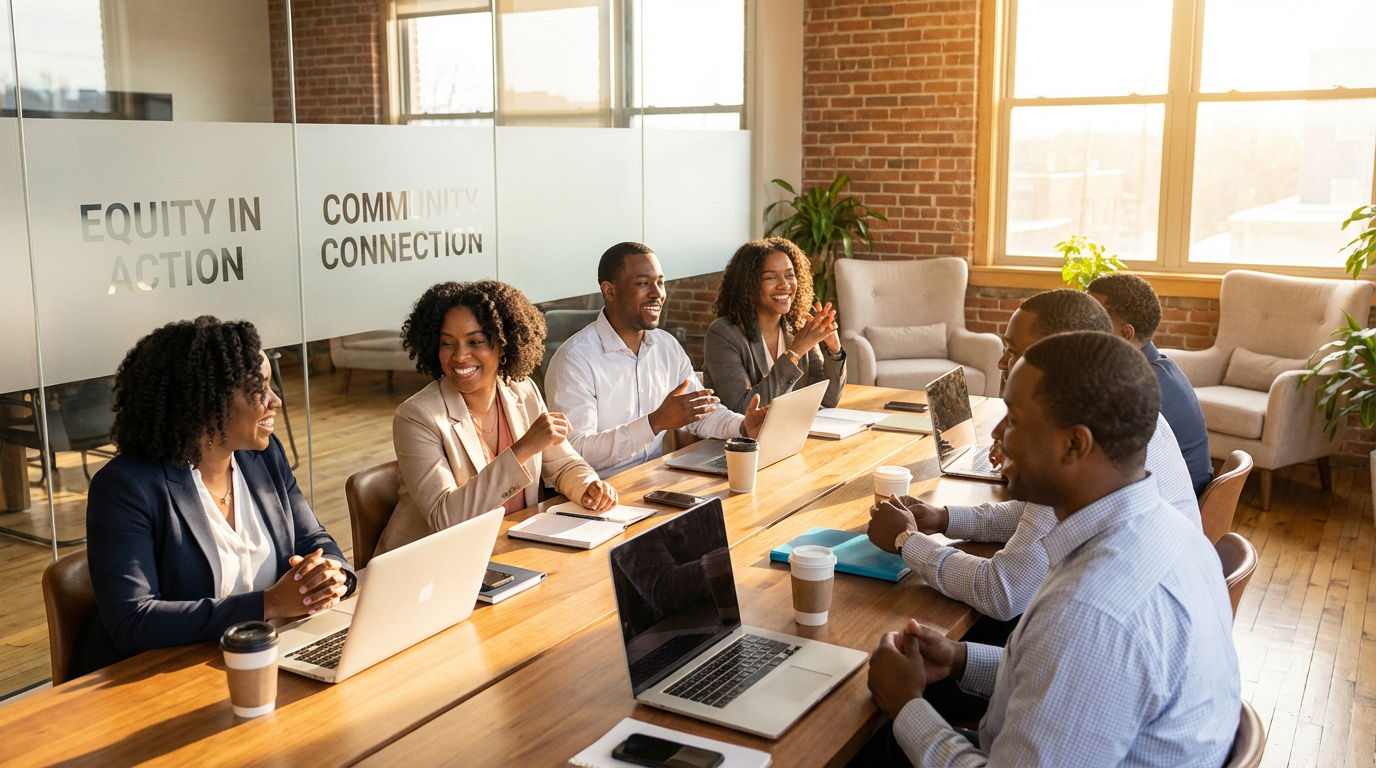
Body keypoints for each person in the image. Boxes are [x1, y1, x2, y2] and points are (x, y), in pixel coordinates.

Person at [864, 332, 1240, 767]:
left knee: (858, 735)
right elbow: (1066, 682)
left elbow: (1074, 651)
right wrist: (960, 658)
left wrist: (906, 705)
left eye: (1015, 420)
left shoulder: (1090, 610)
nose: (999, 435)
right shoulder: (1172, 530)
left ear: (1074, 444)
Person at [78, 317, 354, 679]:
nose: (277, 401)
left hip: (260, 660)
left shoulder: (263, 458)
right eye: (261, 389)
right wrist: (268, 604)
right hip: (155, 682)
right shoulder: (125, 487)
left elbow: (313, 540)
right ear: (209, 401)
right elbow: (133, 621)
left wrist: (334, 575)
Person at [378, 280, 618, 555]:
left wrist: (589, 487)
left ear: (504, 344)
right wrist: (523, 449)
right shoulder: (417, 416)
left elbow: (563, 466)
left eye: (476, 342)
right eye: (447, 343)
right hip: (431, 565)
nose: (460, 355)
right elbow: (447, 518)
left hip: (511, 550)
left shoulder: (522, 390)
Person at [546, 242, 768, 476]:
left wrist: (743, 426)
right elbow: (575, 452)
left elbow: (701, 413)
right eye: (643, 283)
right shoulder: (575, 359)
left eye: (660, 283)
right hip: (596, 490)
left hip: (653, 478)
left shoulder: (665, 345)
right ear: (610, 291)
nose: (657, 294)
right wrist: (654, 423)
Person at [1088, 272, 1213, 496]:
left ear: (1125, 333)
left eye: (1092, 320)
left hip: (1171, 509)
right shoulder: (1158, 366)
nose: (1081, 326)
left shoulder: (1137, 388)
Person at [703, 238, 846, 412]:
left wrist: (834, 350)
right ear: (749, 284)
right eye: (771, 277)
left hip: (793, 432)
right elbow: (744, 408)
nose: (785, 285)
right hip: (742, 438)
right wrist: (795, 352)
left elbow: (828, 400)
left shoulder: (796, 326)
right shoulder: (723, 334)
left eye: (790, 275)